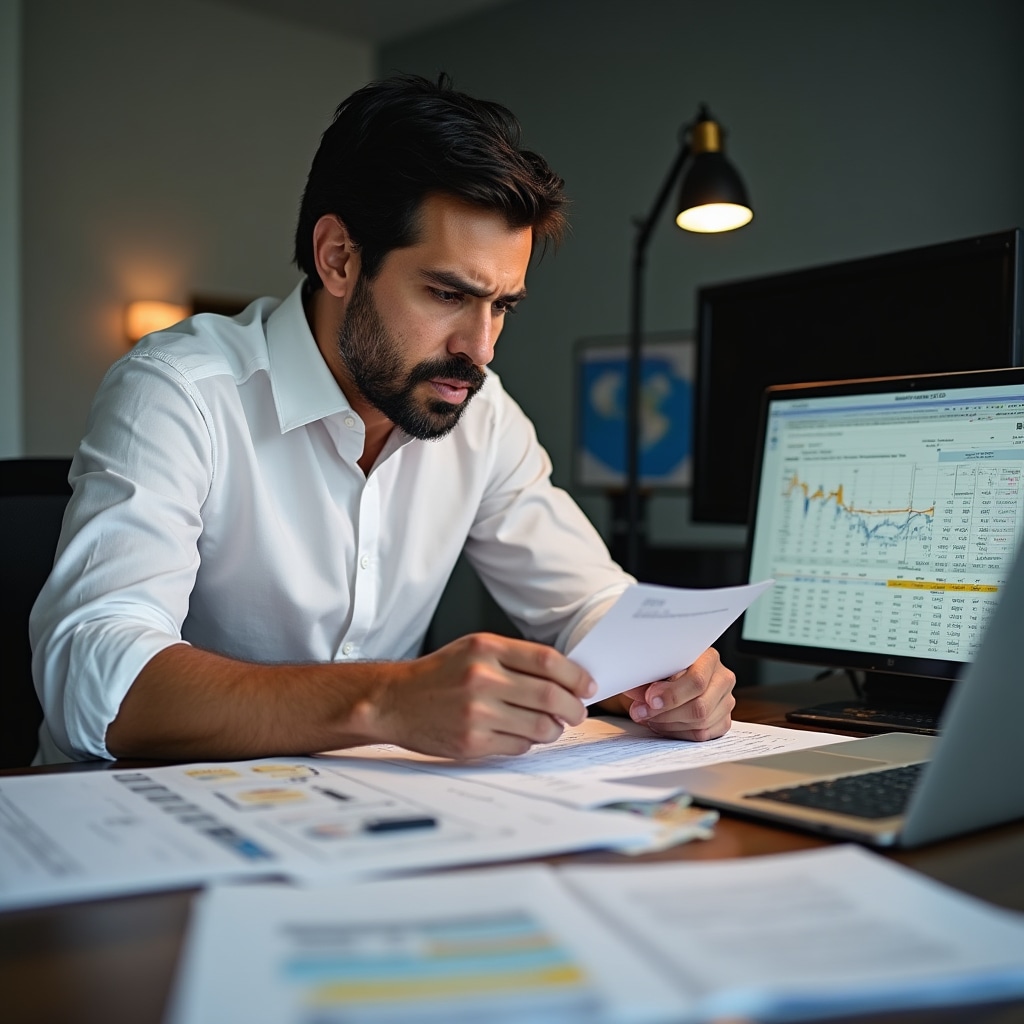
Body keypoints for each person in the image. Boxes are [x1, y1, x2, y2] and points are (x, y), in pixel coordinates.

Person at [30, 73, 735, 765]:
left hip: (351, 823)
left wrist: (669, 671)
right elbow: (94, 675)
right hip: (126, 830)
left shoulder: (482, 416)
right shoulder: (180, 390)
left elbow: (587, 600)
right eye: (445, 293)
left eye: (502, 306)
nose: (480, 349)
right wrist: (388, 701)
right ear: (339, 258)